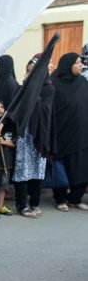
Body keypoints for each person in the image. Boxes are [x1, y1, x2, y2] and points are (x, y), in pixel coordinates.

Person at [12, 55, 55, 218]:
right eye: (28, 71)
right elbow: (15, 110)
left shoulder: (49, 89)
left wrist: (33, 99)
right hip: (24, 136)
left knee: (37, 170)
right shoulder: (22, 89)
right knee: (23, 171)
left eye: (33, 72)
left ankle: (34, 204)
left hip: (40, 135)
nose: (29, 75)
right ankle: (22, 205)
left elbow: (46, 110)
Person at [51, 52, 88, 211]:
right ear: (68, 65)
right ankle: (60, 199)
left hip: (82, 135)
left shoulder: (83, 82)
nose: (81, 65)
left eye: (81, 63)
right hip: (61, 134)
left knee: (82, 168)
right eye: (77, 63)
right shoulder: (55, 83)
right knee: (61, 169)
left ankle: (75, 198)